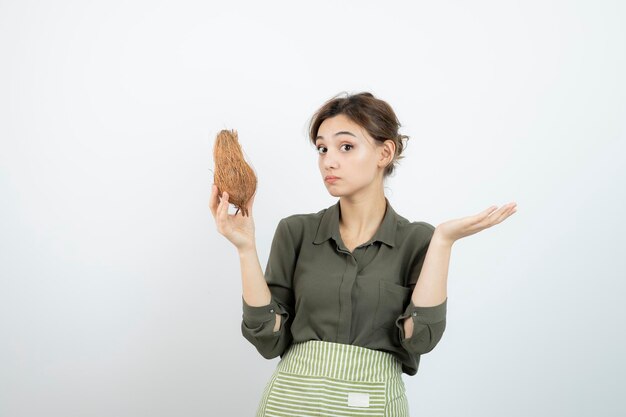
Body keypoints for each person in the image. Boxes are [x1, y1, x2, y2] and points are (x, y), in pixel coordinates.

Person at [209, 92, 517, 416]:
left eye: (346, 147)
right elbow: (268, 339)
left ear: (385, 152)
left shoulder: (417, 240)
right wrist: (245, 249)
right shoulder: (296, 232)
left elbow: (420, 339)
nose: (328, 160)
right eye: (322, 148)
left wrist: (442, 241)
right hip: (290, 404)